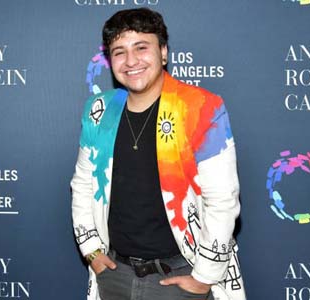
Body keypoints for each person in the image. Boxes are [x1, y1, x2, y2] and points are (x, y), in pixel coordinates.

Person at [71, 8, 245, 300]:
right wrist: (92, 252)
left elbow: (222, 199)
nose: (131, 61)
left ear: (163, 52)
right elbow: (83, 183)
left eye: (141, 47)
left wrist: (205, 277)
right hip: (114, 274)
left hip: (180, 276)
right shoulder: (99, 110)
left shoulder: (201, 107)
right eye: (119, 52)